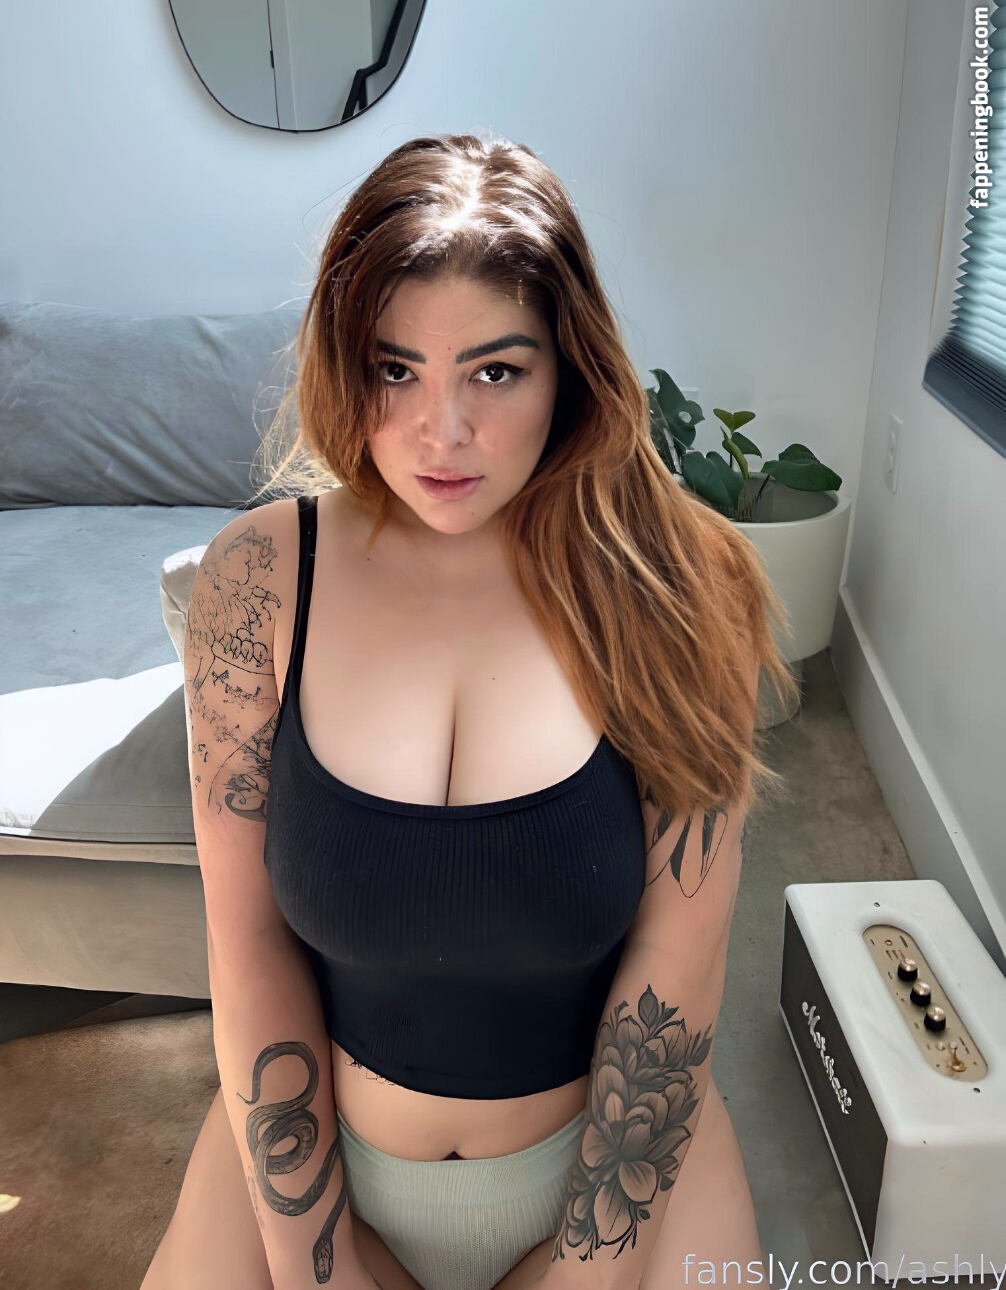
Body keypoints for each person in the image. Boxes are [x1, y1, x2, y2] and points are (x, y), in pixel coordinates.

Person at [140, 132, 798, 1290]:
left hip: (610, 1179)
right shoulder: (258, 582)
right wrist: (320, 1266)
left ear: (568, 369)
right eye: (395, 370)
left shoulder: (682, 587)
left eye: (494, 372)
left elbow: (678, 962)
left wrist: (586, 1274)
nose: (440, 431)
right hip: (320, 1172)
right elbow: (246, 946)